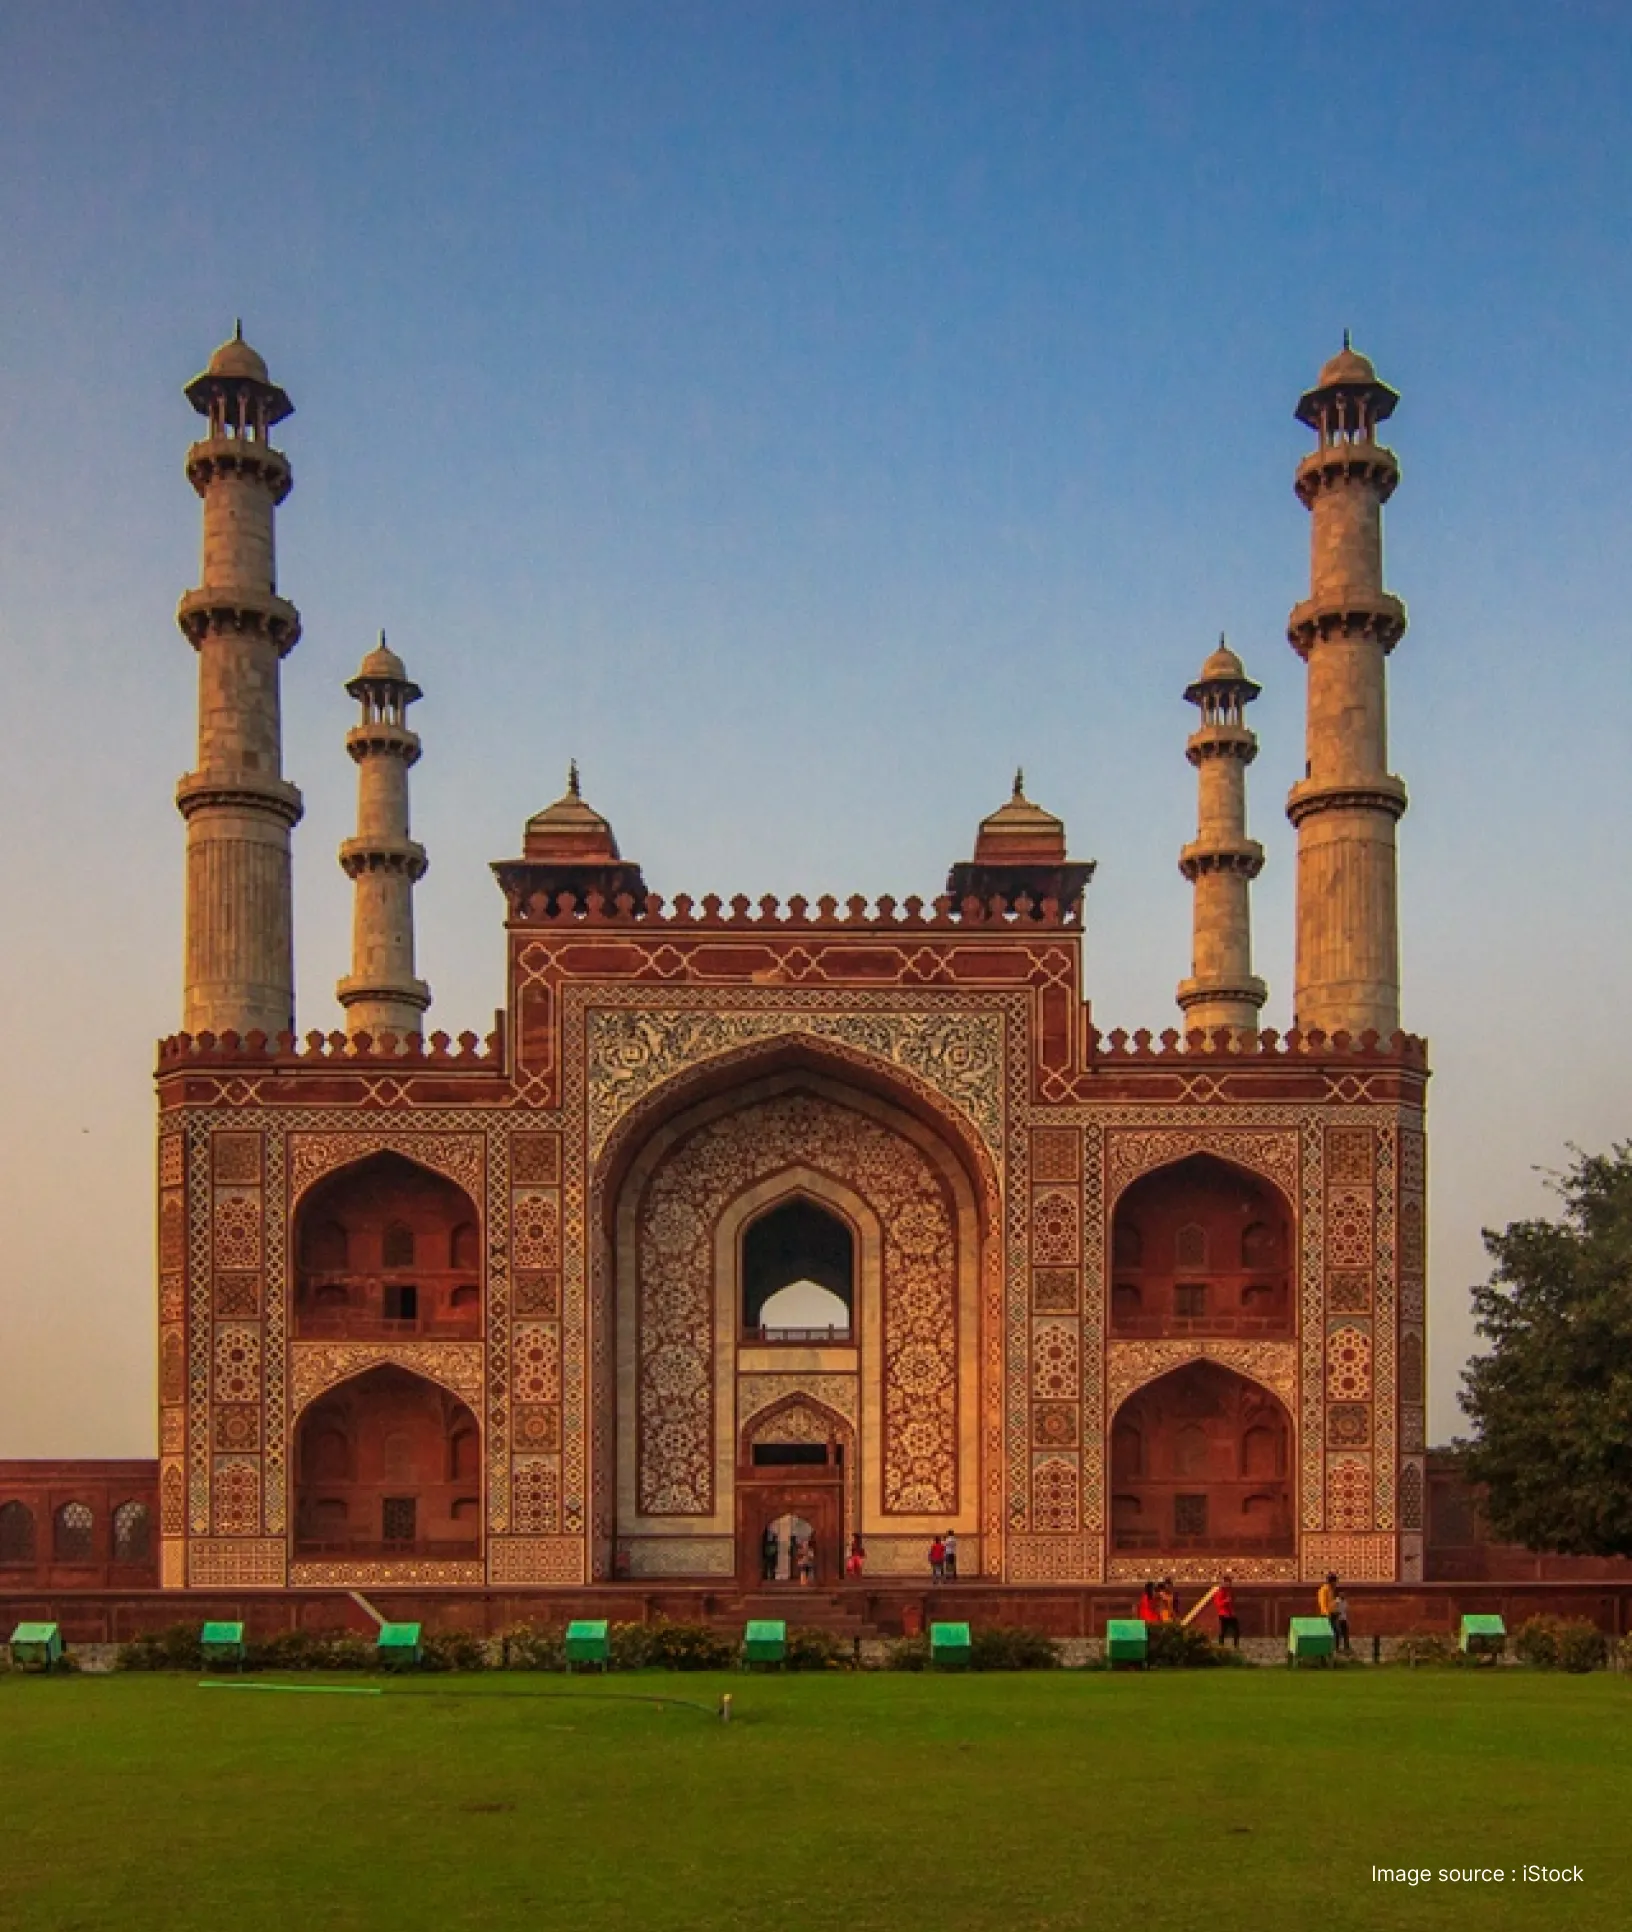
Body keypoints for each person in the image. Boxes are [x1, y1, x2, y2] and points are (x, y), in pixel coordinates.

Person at [1215, 1573, 1240, 1649]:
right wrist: (1226, 1601)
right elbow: (1218, 1604)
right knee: (1223, 1632)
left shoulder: (1230, 1591)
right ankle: (1221, 1646)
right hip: (1223, 1614)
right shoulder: (1220, 1592)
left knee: (1236, 1631)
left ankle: (1236, 1646)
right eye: (1227, 1583)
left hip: (1231, 1614)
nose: (1229, 1584)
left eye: (1230, 1583)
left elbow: (1232, 1601)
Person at [1332, 1587, 1352, 1655]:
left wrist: (1347, 1620)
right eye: (1342, 1593)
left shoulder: (1345, 1601)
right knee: (1337, 1634)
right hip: (1338, 1620)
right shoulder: (1336, 1601)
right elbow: (1334, 1610)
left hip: (1344, 1619)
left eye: (1344, 1593)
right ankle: (1336, 1648)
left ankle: (1346, 1648)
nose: (1343, 1594)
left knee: (1346, 1634)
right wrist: (1336, 1616)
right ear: (1339, 1594)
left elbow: (1345, 1611)